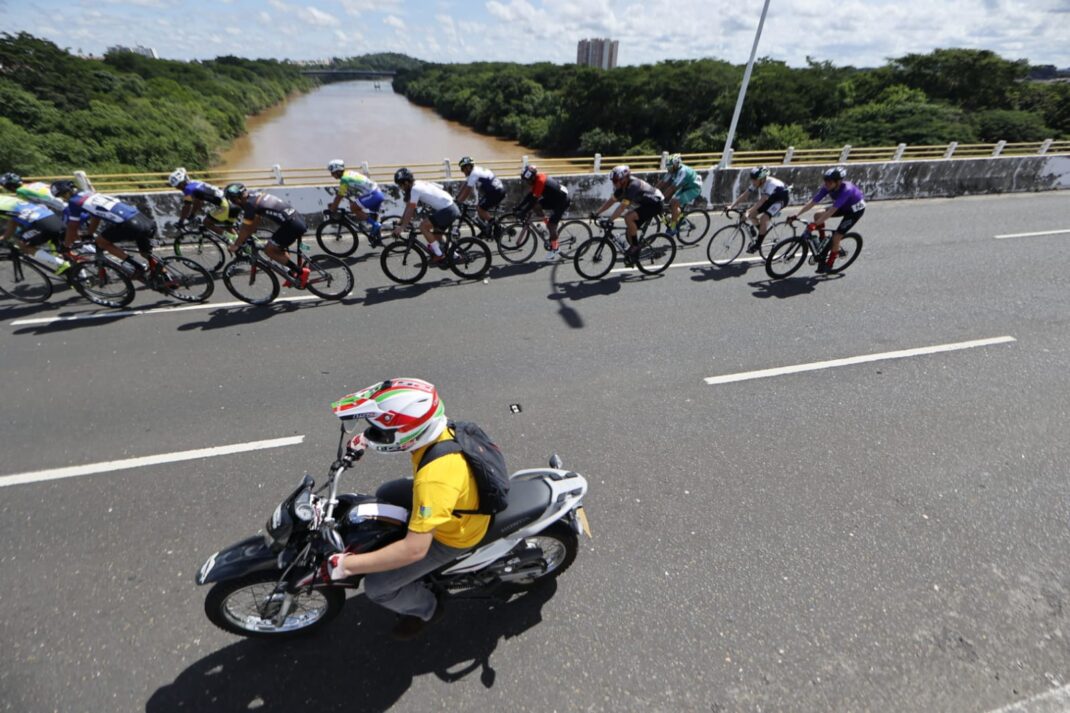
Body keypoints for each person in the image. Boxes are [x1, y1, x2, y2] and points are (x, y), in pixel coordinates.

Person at [323, 378, 491, 640]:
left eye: (380, 432)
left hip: (456, 535)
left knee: (378, 588)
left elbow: (415, 549)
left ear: (409, 432)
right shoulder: (437, 427)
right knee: (386, 493)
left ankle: (428, 609)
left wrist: (347, 565)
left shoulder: (434, 479)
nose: (375, 434)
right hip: (453, 496)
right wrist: (366, 441)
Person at [52, 180, 161, 278]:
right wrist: (90, 233)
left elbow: (72, 227)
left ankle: (137, 266)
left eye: (62, 196)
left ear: (66, 193)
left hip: (130, 225)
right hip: (144, 220)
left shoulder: (74, 202)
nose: (64, 199)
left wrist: (66, 246)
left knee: (101, 242)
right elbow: (95, 216)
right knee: (146, 253)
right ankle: (167, 279)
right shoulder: (88, 194)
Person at [224, 183, 310, 288]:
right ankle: (292, 274)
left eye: (232, 200)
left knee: (269, 250)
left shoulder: (249, 205)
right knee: (278, 249)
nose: (234, 203)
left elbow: (246, 228)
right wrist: (248, 233)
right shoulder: (253, 195)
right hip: (297, 219)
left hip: (292, 225)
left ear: (237, 198)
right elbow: (255, 220)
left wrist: (236, 245)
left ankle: (300, 272)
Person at [790, 167, 866, 273]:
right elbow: (813, 202)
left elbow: (831, 211)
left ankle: (829, 265)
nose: (826, 184)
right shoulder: (827, 187)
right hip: (842, 206)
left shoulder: (846, 190)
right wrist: (796, 214)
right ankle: (823, 241)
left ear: (838, 182)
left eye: (829, 182)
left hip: (854, 211)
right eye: (825, 181)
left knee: (836, 237)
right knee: (818, 214)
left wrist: (815, 225)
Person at [591, 165, 663, 263]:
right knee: (630, 230)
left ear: (624, 178)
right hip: (645, 204)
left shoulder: (633, 186)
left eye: (616, 180)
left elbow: (622, 207)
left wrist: (610, 220)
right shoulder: (622, 186)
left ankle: (635, 247)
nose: (614, 183)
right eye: (613, 180)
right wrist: (597, 213)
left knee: (628, 217)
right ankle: (635, 253)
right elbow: (611, 201)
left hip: (655, 204)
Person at [391, 168, 461, 266]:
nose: (400, 187)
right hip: (451, 206)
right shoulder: (419, 183)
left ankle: (439, 255)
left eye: (400, 184)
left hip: (447, 210)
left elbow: (411, 209)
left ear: (406, 182)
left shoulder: (415, 189)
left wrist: (402, 227)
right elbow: (408, 206)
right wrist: (402, 221)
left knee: (423, 226)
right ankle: (455, 256)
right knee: (437, 235)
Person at [0, 194, 71, 274]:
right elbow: (13, 221)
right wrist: (5, 237)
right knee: (66, 250)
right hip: (53, 219)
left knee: (22, 244)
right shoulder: (6, 198)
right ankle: (80, 277)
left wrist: (5, 238)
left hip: (43, 224)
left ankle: (61, 263)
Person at [727, 166, 791, 254]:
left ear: (762, 179)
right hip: (769, 199)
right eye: (752, 179)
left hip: (780, 200)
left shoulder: (771, 184)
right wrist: (732, 206)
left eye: (754, 179)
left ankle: (758, 244)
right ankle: (762, 231)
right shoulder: (757, 182)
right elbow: (745, 195)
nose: (752, 181)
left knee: (764, 218)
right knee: (752, 215)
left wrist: (748, 211)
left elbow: (761, 201)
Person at [514, 164, 570, 262]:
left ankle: (555, 248)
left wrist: (523, 212)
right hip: (554, 199)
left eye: (526, 180)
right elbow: (530, 196)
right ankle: (546, 221)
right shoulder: (536, 179)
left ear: (531, 178)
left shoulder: (540, 181)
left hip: (561, 201)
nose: (526, 182)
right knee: (536, 206)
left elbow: (532, 200)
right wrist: (519, 207)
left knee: (552, 226)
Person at [325, 159, 384, 245]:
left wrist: (333, 209)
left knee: (353, 208)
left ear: (337, 171)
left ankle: (375, 225)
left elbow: (339, 196)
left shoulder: (345, 179)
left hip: (373, 195)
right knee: (372, 216)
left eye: (332, 172)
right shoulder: (348, 173)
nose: (331, 175)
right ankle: (378, 240)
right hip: (377, 192)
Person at [167, 168, 234, 237]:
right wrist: (192, 215)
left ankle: (231, 238)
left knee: (207, 223)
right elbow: (198, 201)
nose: (179, 188)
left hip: (224, 206)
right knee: (228, 227)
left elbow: (187, 206)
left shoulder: (188, 189)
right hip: (230, 202)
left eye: (178, 186)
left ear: (183, 182)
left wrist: (181, 221)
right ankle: (240, 243)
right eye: (176, 187)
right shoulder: (194, 183)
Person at [657, 154, 703, 236]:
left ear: (676, 165)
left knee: (674, 202)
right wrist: (652, 191)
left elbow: (672, 188)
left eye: (671, 167)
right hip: (685, 186)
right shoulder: (672, 170)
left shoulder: (682, 171)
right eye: (668, 167)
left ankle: (673, 228)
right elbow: (662, 183)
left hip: (694, 189)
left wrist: (661, 198)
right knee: (671, 202)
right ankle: (681, 220)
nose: (669, 169)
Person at [454, 156, 506, 227]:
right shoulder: (474, 171)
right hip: (494, 191)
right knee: (479, 208)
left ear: (468, 167)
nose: (462, 171)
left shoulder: (474, 173)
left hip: (496, 192)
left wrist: (460, 201)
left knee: (480, 209)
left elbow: (468, 191)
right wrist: (457, 197)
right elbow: (465, 185)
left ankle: (497, 226)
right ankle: (486, 230)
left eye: (463, 169)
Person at [0, 173, 65, 212]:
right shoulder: (36, 183)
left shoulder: (21, 191)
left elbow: (27, 207)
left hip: (59, 209)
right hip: (64, 204)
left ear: (9, 186)